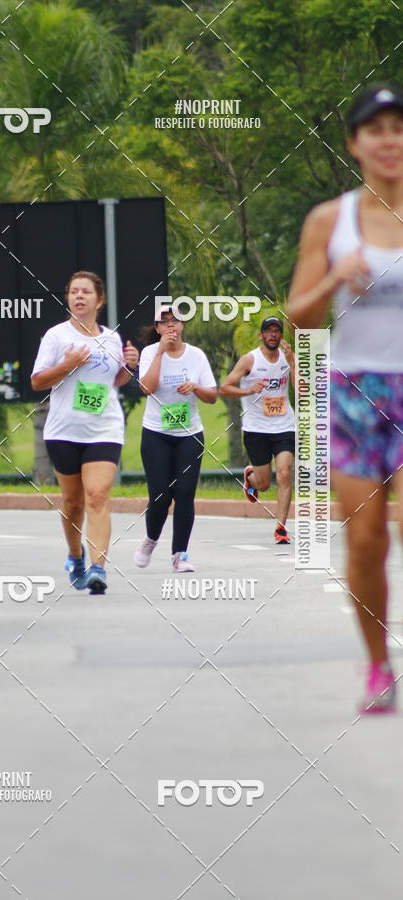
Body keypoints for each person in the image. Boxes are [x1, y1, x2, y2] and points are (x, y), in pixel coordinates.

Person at [288, 83, 403, 714]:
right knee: (365, 543)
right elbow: (300, 315)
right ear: (355, 143)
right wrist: (335, 275)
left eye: (399, 127)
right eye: (376, 128)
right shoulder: (331, 220)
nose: (390, 139)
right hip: (356, 390)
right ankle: (378, 665)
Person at [30, 271, 138, 594]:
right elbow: (38, 381)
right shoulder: (56, 337)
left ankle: (98, 568)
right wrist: (68, 364)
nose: (79, 297)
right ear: (68, 298)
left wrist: (128, 367)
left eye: (85, 292)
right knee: (72, 502)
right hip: (64, 430)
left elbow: (113, 381)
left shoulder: (112, 339)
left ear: (99, 300)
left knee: (97, 496)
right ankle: (75, 555)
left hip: (104, 428)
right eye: (73, 292)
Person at [133, 308, 217, 572]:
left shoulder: (196, 355)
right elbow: (146, 388)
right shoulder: (149, 353)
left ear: (182, 325)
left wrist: (195, 387)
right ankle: (150, 540)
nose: (170, 326)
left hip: (189, 434)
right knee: (160, 495)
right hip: (156, 433)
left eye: (175, 321)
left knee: (184, 494)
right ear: (157, 328)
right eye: (164, 322)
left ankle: (179, 554)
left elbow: (212, 396)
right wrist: (160, 352)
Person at [219, 317, 295, 545]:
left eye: (277, 331)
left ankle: (281, 527)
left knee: (284, 473)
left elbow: (303, 390)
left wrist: (292, 360)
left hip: (284, 426)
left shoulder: (286, 358)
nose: (273, 335)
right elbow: (225, 388)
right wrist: (249, 390)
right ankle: (251, 477)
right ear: (261, 335)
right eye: (268, 331)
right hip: (256, 428)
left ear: (281, 335)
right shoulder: (250, 360)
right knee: (264, 484)